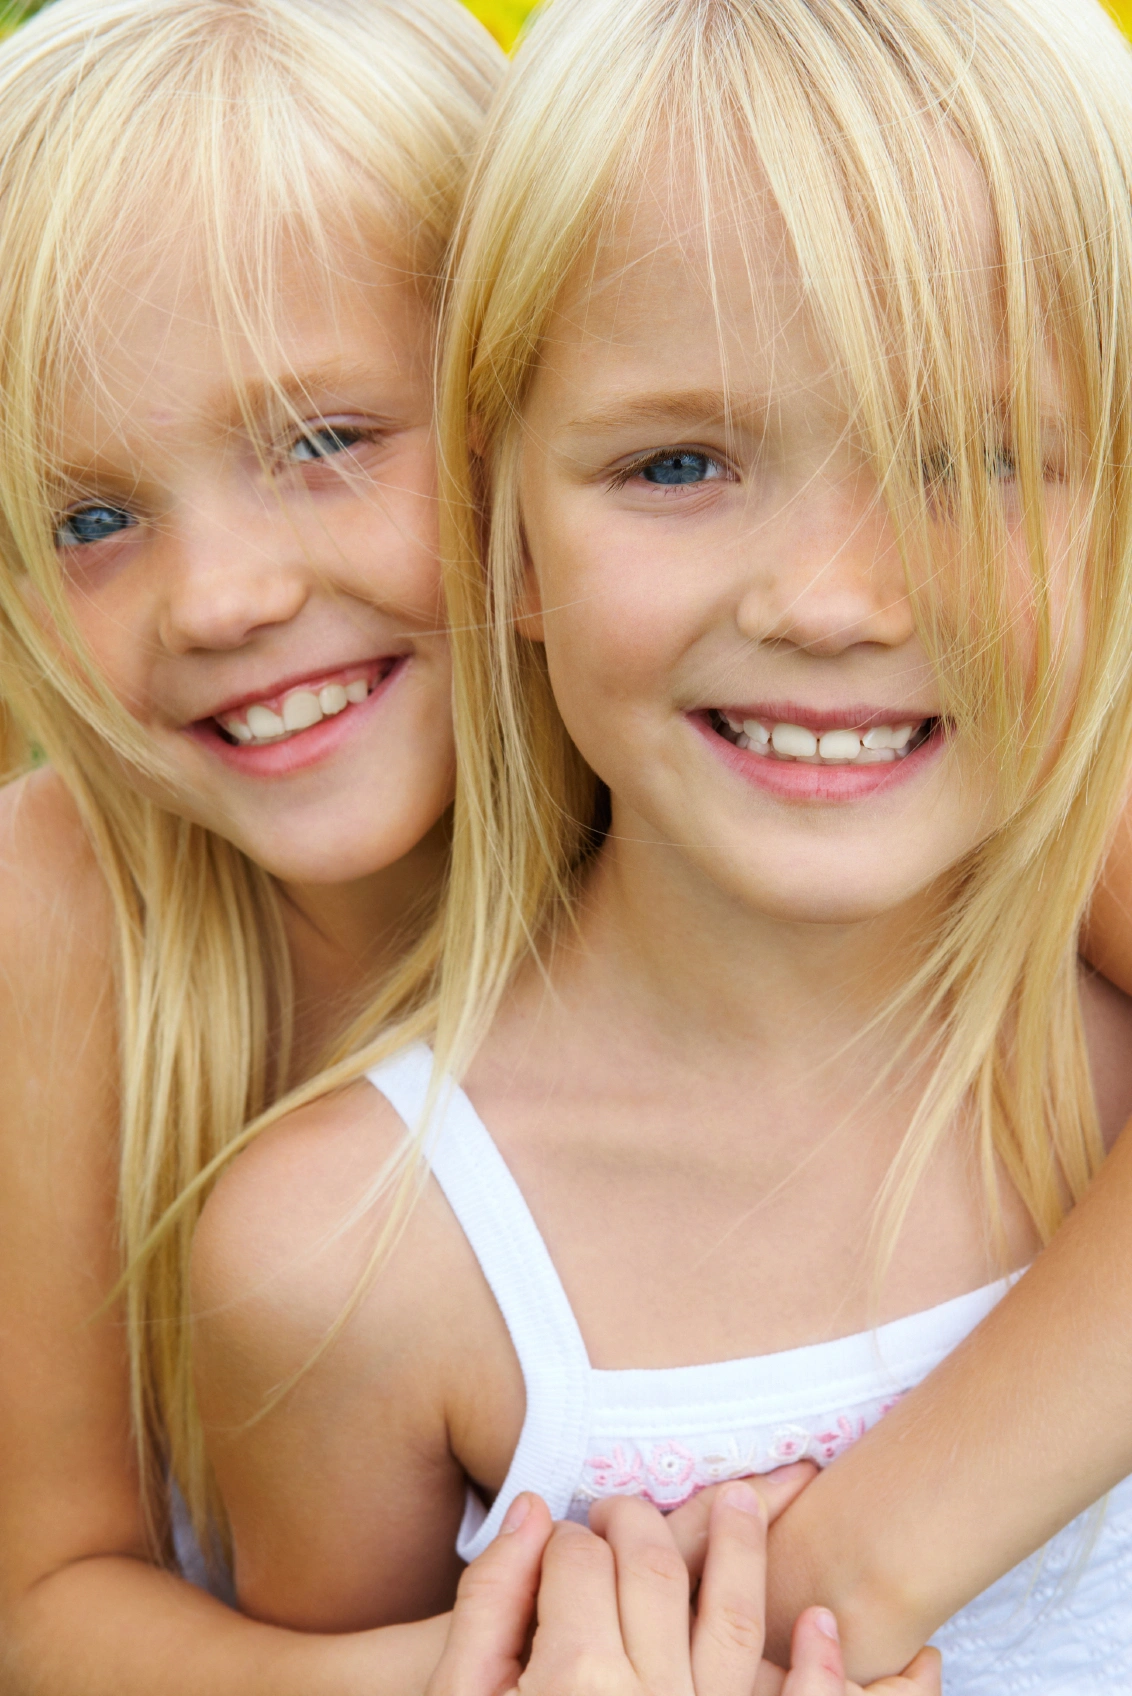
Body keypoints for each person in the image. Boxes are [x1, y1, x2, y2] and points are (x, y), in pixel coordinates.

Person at [189, 0, 1132, 1689]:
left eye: (982, 459)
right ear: (511, 539)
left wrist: (834, 1587)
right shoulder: (352, 1261)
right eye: (679, 462)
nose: (836, 601)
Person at [0, 1, 515, 1690]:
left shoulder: (801, 776)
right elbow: (47, 1596)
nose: (220, 596)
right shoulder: (66, 905)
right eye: (91, 520)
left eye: (321, 442)